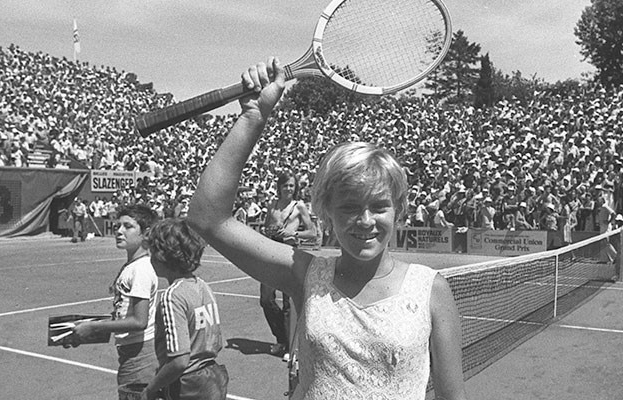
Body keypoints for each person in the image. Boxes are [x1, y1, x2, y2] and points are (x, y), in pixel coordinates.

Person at [187, 58, 465, 400]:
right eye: (349, 207)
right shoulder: (306, 275)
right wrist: (253, 116)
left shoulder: (431, 290)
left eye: (379, 207)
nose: (365, 221)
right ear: (326, 213)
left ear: (400, 210)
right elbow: (207, 217)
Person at [69, 204, 160, 399]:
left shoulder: (141, 270)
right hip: (131, 352)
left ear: (146, 233)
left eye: (128, 227)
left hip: (140, 356)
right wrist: (84, 332)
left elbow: (139, 321)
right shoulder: (132, 266)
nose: (119, 231)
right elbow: (122, 312)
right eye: (119, 226)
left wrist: (94, 328)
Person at [142, 218, 229, 400]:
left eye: (152, 252)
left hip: (188, 385)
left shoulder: (172, 296)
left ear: (163, 256)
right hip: (213, 376)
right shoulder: (203, 286)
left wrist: (151, 388)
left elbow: (180, 361)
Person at [259, 171, 316, 356]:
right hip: (271, 252)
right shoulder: (272, 205)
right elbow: (266, 227)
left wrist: (293, 234)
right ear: (279, 187)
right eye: (286, 185)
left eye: (292, 185)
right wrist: (268, 230)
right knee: (266, 298)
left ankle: (290, 345)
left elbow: (312, 232)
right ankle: (281, 338)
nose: (289, 189)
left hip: (289, 253)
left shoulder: (299, 206)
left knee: (287, 302)